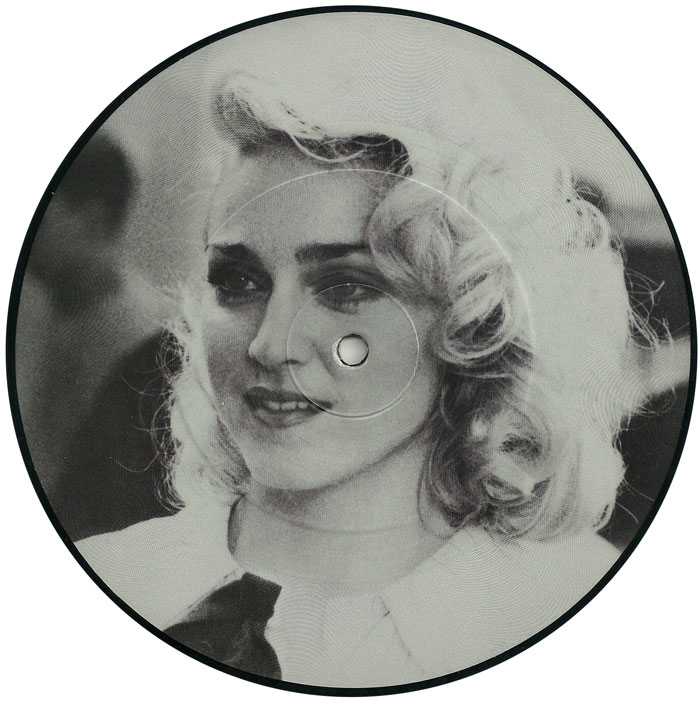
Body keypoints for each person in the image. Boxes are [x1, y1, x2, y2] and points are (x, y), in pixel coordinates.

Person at [74, 22, 676, 688]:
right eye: (238, 281)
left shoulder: (594, 628)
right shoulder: (96, 586)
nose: (269, 343)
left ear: (473, 321)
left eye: (346, 287)